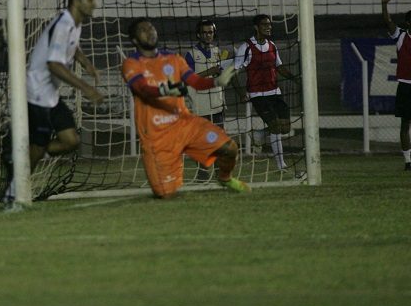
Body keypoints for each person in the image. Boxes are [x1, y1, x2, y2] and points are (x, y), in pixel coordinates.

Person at [121, 17, 250, 198]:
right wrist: (166, 89)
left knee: (230, 148)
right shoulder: (131, 63)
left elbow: (195, 81)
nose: (150, 32)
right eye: (144, 30)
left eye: (151, 28)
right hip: (157, 134)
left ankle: (225, 178)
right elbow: (141, 88)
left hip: (184, 125)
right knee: (165, 194)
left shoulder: (173, 58)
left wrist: (215, 81)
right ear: (135, 40)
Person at [3, 0, 106, 203]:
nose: (95, 3)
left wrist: (86, 63)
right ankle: (13, 191)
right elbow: (54, 64)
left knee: (71, 141)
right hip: (37, 92)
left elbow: (72, 46)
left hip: (50, 93)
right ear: (77, 1)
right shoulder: (63, 24)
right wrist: (86, 87)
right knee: (40, 145)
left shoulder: (74, 23)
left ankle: (21, 155)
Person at [233, 14, 299, 172]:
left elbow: (279, 67)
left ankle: (260, 134)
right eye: (264, 25)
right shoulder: (246, 47)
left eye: (269, 24)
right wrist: (242, 93)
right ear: (256, 27)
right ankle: (281, 164)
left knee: (285, 128)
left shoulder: (272, 45)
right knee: (275, 126)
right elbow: (234, 73)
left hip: (275, 92)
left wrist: (296, 79)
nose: (269, 27)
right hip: (258, 95)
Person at [184, 19, 231, 181]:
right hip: (199, 106)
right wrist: (210, 71)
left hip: (217, 104)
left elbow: (220, 76)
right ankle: (203, 173)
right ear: (198, 34)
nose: (208, 35)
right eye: (204, 32)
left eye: (210, 32)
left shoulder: (218, 52)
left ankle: (219, 173)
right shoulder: (190, 54)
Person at [380, 0, 411, 171]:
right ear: (408, 23)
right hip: (406, 86)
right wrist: (384, 5)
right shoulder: (401, 36)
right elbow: (388, 22)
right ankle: (408, 161)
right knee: (405, 123)